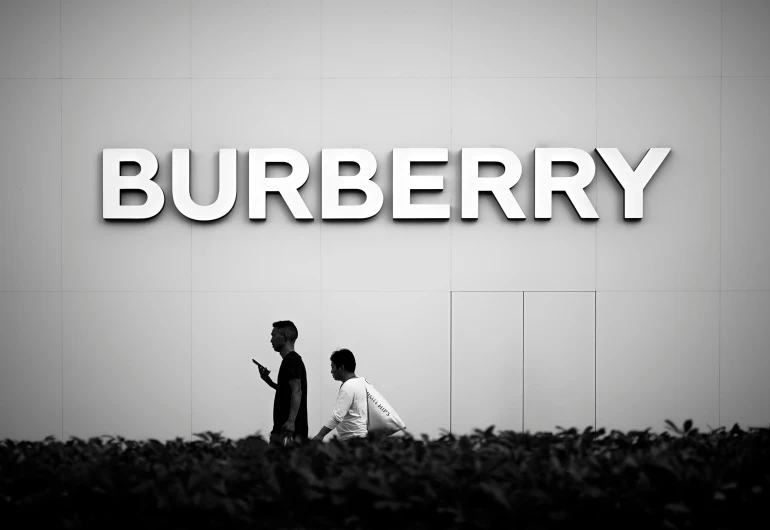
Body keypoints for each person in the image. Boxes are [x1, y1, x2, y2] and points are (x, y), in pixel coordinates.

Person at [256, 320, 308, 444]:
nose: (271, 340)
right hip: (285, 429)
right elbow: (288, 391)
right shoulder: (290, 360)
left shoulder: (292, 360)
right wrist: (268, 381)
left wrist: (290, 422)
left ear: (284, 336)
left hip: (288, 431)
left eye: (273, 335)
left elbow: (297, 390)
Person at [312, 348, 368, 442]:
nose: (331, 371)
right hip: (361, 437)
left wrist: (320, 435)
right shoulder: (361, 382)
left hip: (353, 440)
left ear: (341, 368)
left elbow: (337, 416)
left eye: (333, 367)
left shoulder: (348, 387)